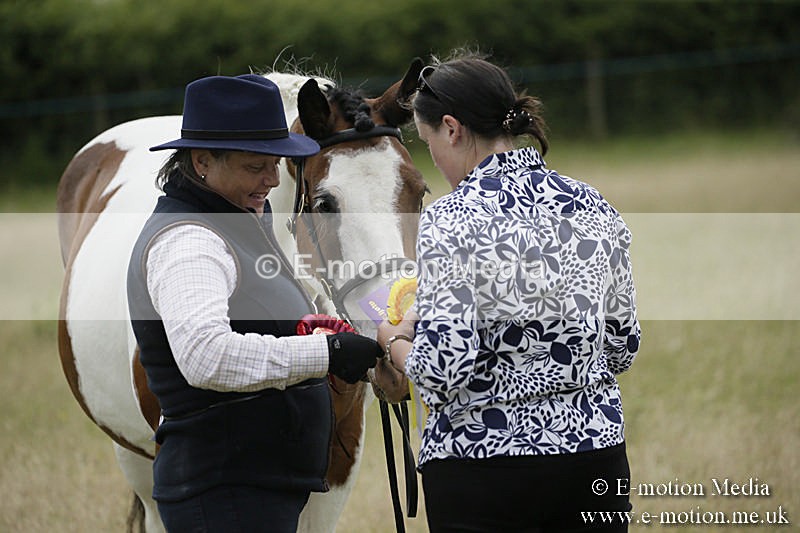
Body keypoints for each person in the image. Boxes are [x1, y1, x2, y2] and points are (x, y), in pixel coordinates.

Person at [378, 52, 641, 532]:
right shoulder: (592, 203)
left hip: (482, 468)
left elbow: (442, 370)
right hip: (594, 456)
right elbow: (622, 347)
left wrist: (393, 339)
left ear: (452, 129)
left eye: (428, 139)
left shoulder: (450, 218)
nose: (431, 157)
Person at [127, 74, 382, 532]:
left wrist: (310, 326)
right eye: (254, 167)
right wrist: (326, 353)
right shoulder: (190, 241)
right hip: (225, 496)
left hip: (248, 489)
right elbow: (207, 357)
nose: (271, 180)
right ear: (202, 161)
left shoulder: (236, 219)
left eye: (277, 164)